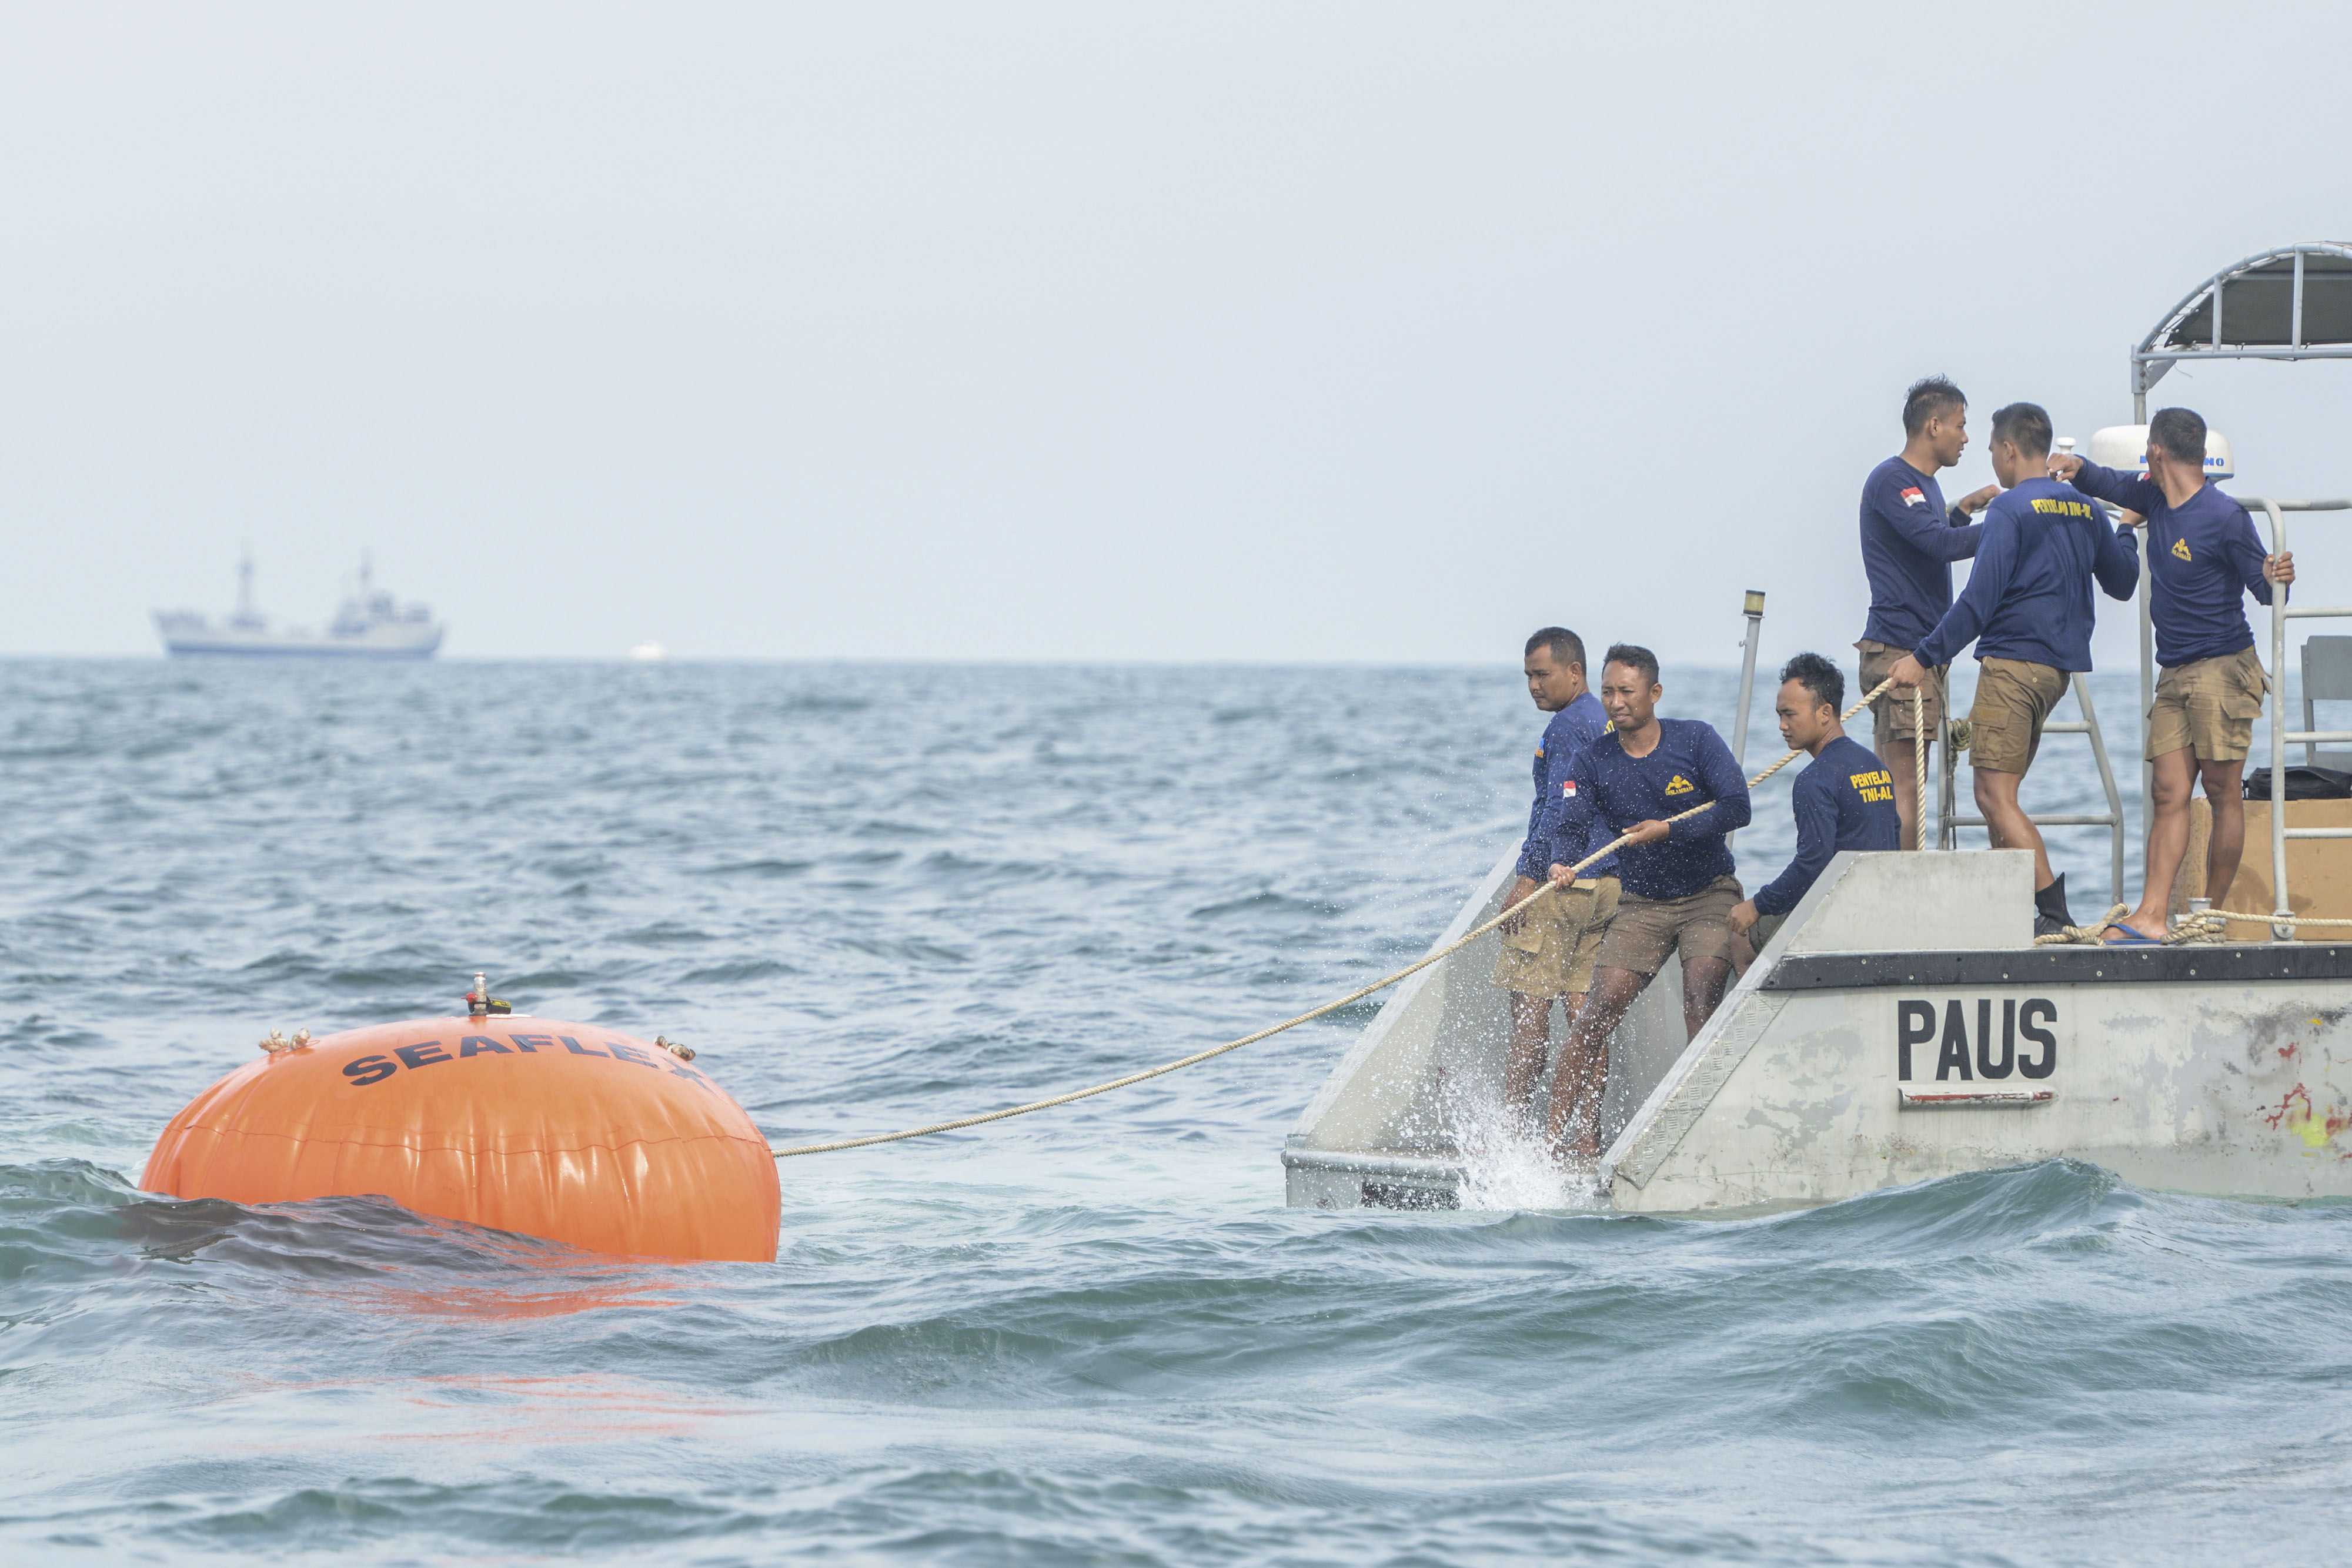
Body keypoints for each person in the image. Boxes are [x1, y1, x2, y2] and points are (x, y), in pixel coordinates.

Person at [1889, 402, 2140, 935]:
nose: (1990, 458)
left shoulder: (2009, 510)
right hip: (2056, 674)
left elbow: (1978, 602)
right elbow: (2122, 583)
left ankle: (2054, 914)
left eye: (1991, 449)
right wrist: (2127, 530)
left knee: (1992, 796)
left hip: (2012, 665)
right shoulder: (2085, 508)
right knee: (2002, 794)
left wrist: (1923, 656)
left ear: (2008, 449)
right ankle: (2016, 914)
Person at [2050, 408, 2294, 941]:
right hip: (2174, 673)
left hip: (2224, 668)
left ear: (2157, 452)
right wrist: (2075, 465)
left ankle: (2210, 914)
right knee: (2168, 791)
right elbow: (2108, 481)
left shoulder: (2225, 516)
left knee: (2224, 790)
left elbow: (2262, 586)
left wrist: (2276, 575)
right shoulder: (2153, 497)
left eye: (2146, 454)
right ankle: (2153, 915)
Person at [1541, 644, 1750, 1162]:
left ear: (1654, 693)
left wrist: (1670, 829)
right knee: (1592, 1017)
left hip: (1709, 894)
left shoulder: (1696, 738)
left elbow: (1738, 806)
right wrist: (1561, 863)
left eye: (1626, 692)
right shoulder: (1592, 760)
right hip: (1642, 905)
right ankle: (1549, 1145)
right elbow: (1568, 825)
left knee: (1701, 998)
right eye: (1608, 691)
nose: (1615, 702)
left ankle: (1705, 1134)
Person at [1856, 377, 2003, 851]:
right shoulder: (1893, 479)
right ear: (1934, 425)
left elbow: (1928, 539)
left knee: (1892, 789)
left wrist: (1963, 510)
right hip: (1903, 651)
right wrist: (2010, 520)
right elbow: (1937, 545)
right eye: (1960, 426)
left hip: (1909, 651)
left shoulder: (1923, 486)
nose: (1966, 438)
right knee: (1904, 791)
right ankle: (1902, 899)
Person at [1493, 628, 1620, 1123]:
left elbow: (1558, 808)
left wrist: (1528, 879)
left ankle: (1513, 1134)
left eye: (1542, 674)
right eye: (1527, 676)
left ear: (1575, 672)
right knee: (1584, 1015)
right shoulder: (1606, 719)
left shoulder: (1568, 725)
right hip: (1606, 884)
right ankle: (1586, 1134)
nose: (1533, 686)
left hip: (1564, 883)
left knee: (1530, 1012)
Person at [1728, 653, 1902, 955]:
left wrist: (1756, 906)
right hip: (1883, 899)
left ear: (1825, 712)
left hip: (1841, 909)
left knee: (1740, 940)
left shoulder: (1815, 778)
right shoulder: (1873, 764)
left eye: (1790, 714)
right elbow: (1894, 832)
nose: (1782, 725)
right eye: (1779, 715)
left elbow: (1813, 865)